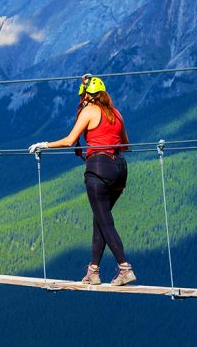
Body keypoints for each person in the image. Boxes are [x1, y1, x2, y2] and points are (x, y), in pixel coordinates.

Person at [28, 75, 135, 286]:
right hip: (120, 170)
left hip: (98, 170)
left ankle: (125, 268)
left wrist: (44, 145)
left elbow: (69, 141)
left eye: (83, 96)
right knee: (100, 219)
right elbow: (125, 146)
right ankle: (93, 271)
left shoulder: (88, 110)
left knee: (104, 221)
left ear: (87, 96)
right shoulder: (116, 114)